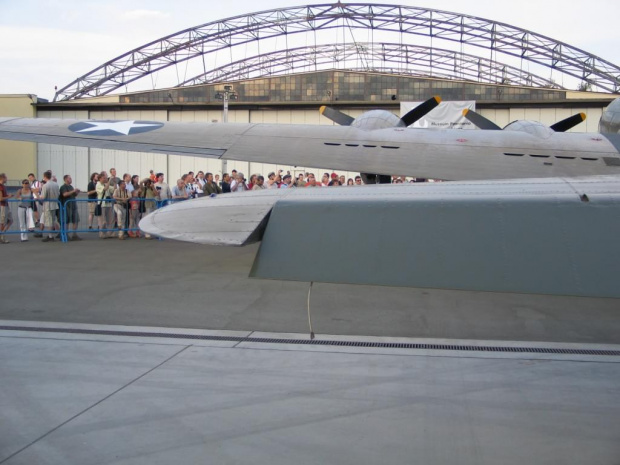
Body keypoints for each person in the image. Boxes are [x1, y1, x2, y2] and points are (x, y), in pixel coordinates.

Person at [59, 174, 82, 241]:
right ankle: (66, 234)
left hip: (73, 205)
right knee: (67, 220)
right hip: (66, 206)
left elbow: (74, 194)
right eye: (69, 178)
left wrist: (76, 192)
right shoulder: (63, 187)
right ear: (66, 179)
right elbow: (65, 194)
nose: (71, 179)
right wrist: (73, 191)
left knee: (75, 220)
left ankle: (74, 234)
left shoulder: (71, 186)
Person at [39, 170, 60, 242]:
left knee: (48, 221)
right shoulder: (56, 184)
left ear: (45, 177)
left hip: (48, 205)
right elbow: (58, 194)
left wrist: (39, 197)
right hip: (55, 204)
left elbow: (43, 196)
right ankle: (54, 233)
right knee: (53, 220)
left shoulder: (45, 185)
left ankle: (50, 236)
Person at [96, 171, 114, 239]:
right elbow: (105, 188)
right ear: (100, 178)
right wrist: (109, 180)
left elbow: (113, 189)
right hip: (102, 205)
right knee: (102, 221)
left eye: (105, 178)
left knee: (110, 219)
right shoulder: (98, 185)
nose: (105, 179)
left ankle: (109, 233)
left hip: (108, 204)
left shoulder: (107, 184)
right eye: (103, 178)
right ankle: (102, 233)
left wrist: (114, 182)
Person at [0, 173, 14, 243]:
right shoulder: (0, 187)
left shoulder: (3, 186)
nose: (7, 179)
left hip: (6, 205)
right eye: (6, 178)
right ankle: (2, 236)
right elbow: (1, 198)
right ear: (2, 178)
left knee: (10, 220)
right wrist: (8, 197)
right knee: (3, 222)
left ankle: (2, 234)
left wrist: (8, 195)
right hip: (2, 206)